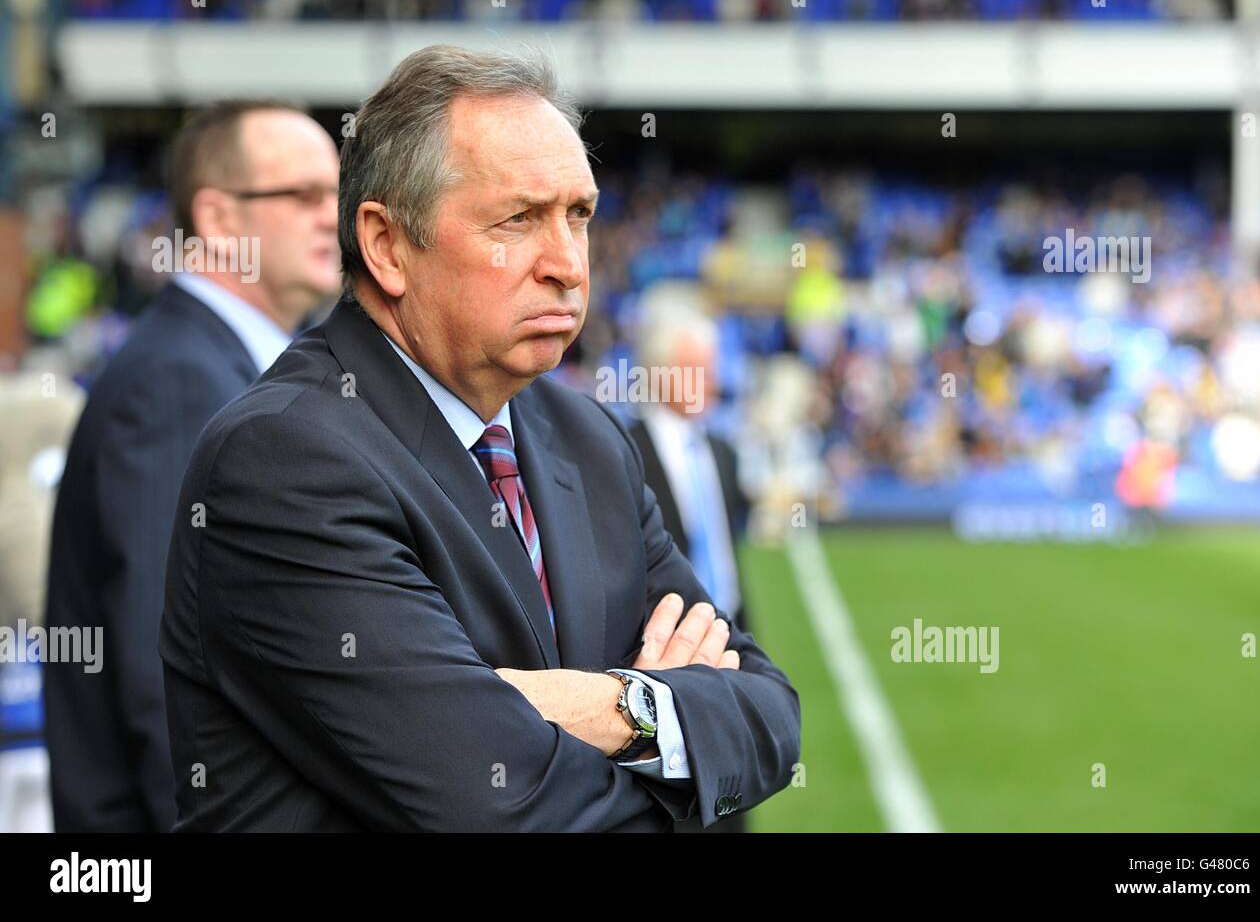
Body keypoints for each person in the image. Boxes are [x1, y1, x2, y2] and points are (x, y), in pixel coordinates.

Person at [160, 44, 801, 832]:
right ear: (388, 245)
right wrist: (654, 716)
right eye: (519, 218)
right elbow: (491, 805)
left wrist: (544, 705)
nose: (568, 264)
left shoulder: (587, 437)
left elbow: (768, 713)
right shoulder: (283, 459)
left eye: (580, 215)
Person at [43, 100, 341, 831]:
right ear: (217, 219)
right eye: (303, 195)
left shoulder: (217, 364)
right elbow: (164, 666)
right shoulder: (179, 382)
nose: (335, 217)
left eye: (338, 192)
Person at [626, 301, 755, 833]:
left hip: (729, 647)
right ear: (662, 372)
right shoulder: (622, 450)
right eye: (699, 368)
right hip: (667, 660)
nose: (714, 380)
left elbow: (729, 549)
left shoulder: (721, 450)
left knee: (732, 800)